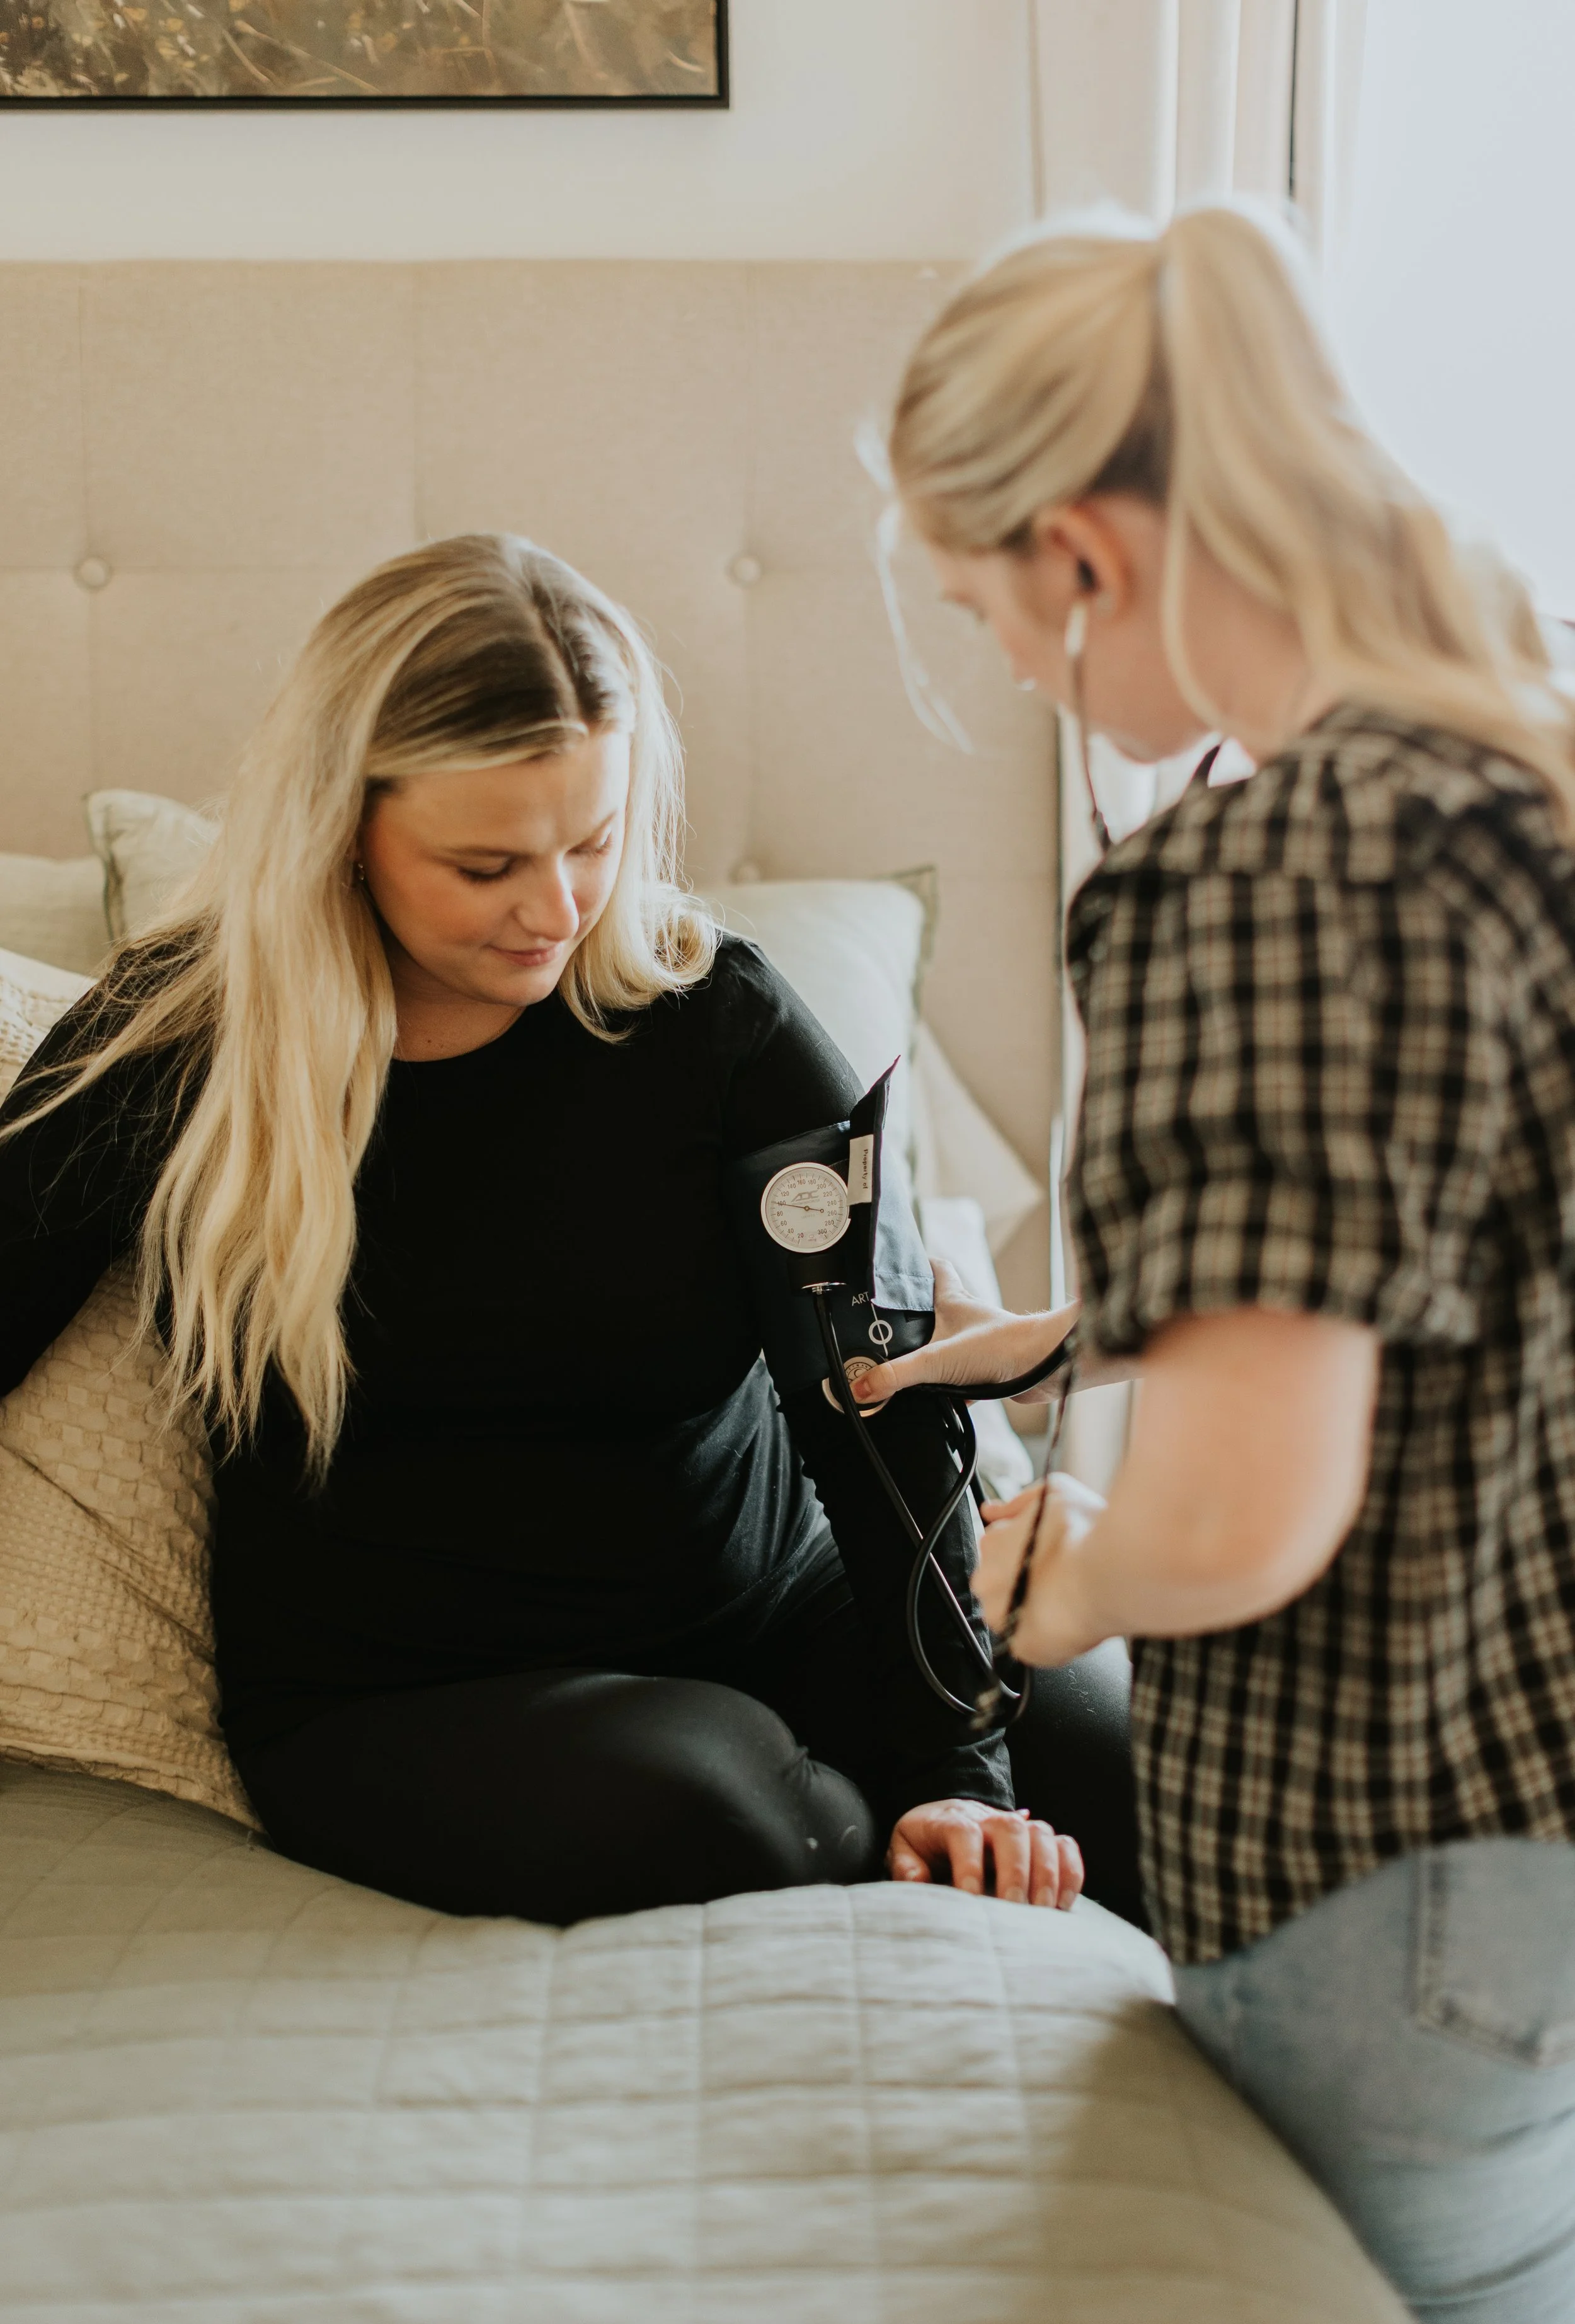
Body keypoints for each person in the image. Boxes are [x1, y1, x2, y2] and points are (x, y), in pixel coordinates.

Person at [854, 202, 1575, 2324]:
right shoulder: (1517, 782)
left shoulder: (1256, 877)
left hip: (1398, 1855)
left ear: (1086, 552)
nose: (1007, 665)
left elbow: (1251, 1516)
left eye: (989, 608)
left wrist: (1051, 1583)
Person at [0, 534, 1091, 1928]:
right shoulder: (185, 1037)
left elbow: (870, 1407)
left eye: (593, 842)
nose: (559, 908)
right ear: (342, 825)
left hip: (782, 1613)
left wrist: (965, 1768)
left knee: (1160, 1740)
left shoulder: (718, 1019)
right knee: (723, 1809)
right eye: (486, 864)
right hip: (412, 1704)